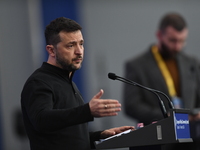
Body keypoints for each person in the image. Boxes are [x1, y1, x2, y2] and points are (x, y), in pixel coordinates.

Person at [21, 17, 134, 150]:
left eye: (81, 44)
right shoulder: (39, 82)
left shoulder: (68, 82)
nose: (79, 51)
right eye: (71, 45)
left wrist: (100, 134)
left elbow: (66, 135)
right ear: (51, 50)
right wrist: (87, 111)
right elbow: (41, 120)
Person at [123, 12, 200, 149]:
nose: (177, 46)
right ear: (159, 35)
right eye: (172, 40)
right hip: (158, 140)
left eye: (182, 41)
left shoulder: (192, 63)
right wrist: (168, 116)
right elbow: (132, 106)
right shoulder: (137, 65)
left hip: (191, 139)